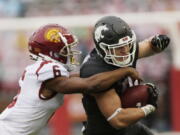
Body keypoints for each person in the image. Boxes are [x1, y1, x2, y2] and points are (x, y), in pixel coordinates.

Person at [0, 24, 142, 135]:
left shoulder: (42, 70)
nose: (69, 52)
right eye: (65, 49)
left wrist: (106, 68)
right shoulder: (48, 70)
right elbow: (90, 84)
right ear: (51, 52)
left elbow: (84, 77)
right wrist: (124, 71)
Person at [80, 16, 170, 135]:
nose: (125, 50)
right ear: (103, 49)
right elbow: (117, 119)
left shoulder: (123, 51)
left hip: (129, 127)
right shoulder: (95, 71)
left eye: (127, 44)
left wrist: (156, 43)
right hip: (106, 131)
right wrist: (150, 107)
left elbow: (147, 47)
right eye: (119, 47)